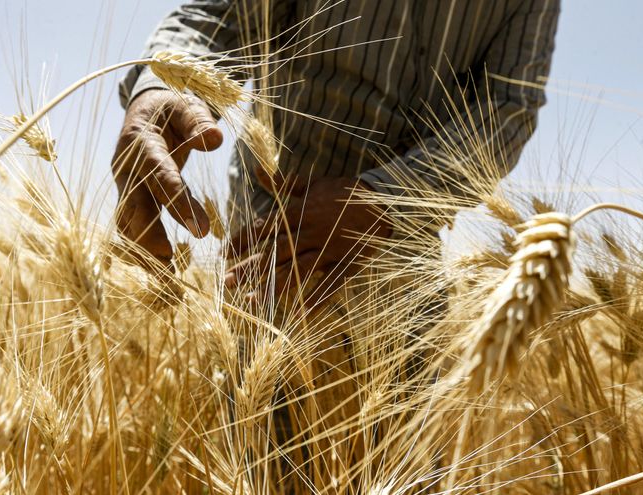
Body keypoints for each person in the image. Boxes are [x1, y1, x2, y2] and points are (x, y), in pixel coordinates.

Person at [112, 0, 560, 304]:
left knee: (401, 440)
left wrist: (383, 201)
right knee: (262, 438)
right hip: (270, 242)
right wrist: (163, 86)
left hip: (404, 256)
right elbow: (226, 15)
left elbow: (507, 109)